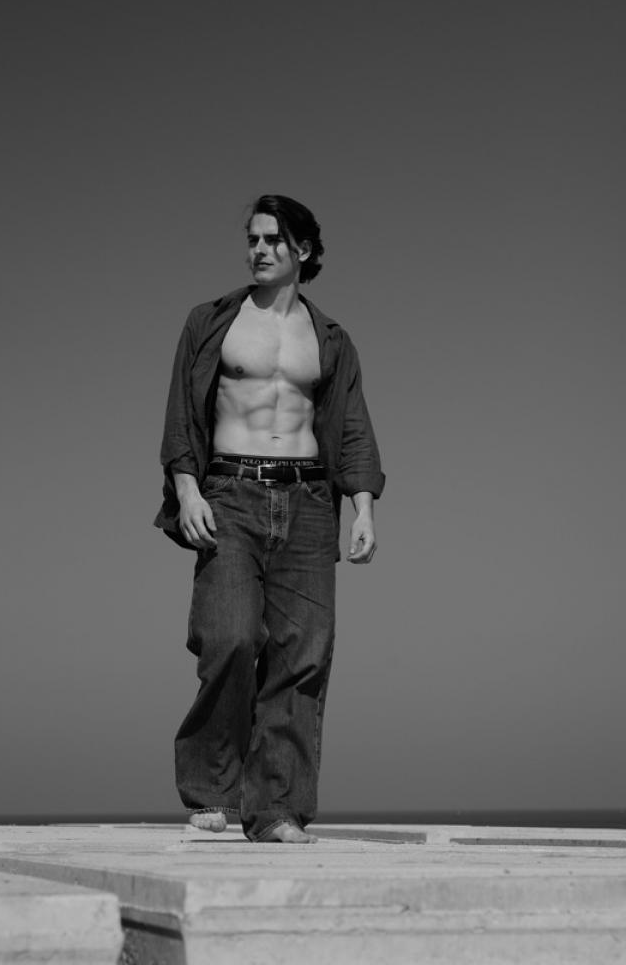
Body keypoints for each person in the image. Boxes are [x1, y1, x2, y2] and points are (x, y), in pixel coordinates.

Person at [154, 195, 385, 843]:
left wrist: (363, 507)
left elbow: (353, 427)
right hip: (229, 494)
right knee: (228, 638)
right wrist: (187, 491)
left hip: (308, 501)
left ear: (302, 251)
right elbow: (180, 416)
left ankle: (277, 807)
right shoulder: (212, 323)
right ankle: (212, 789)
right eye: (252, 239)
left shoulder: (331, 339)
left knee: (302, 654)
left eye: (273, 240)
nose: (258, 250)